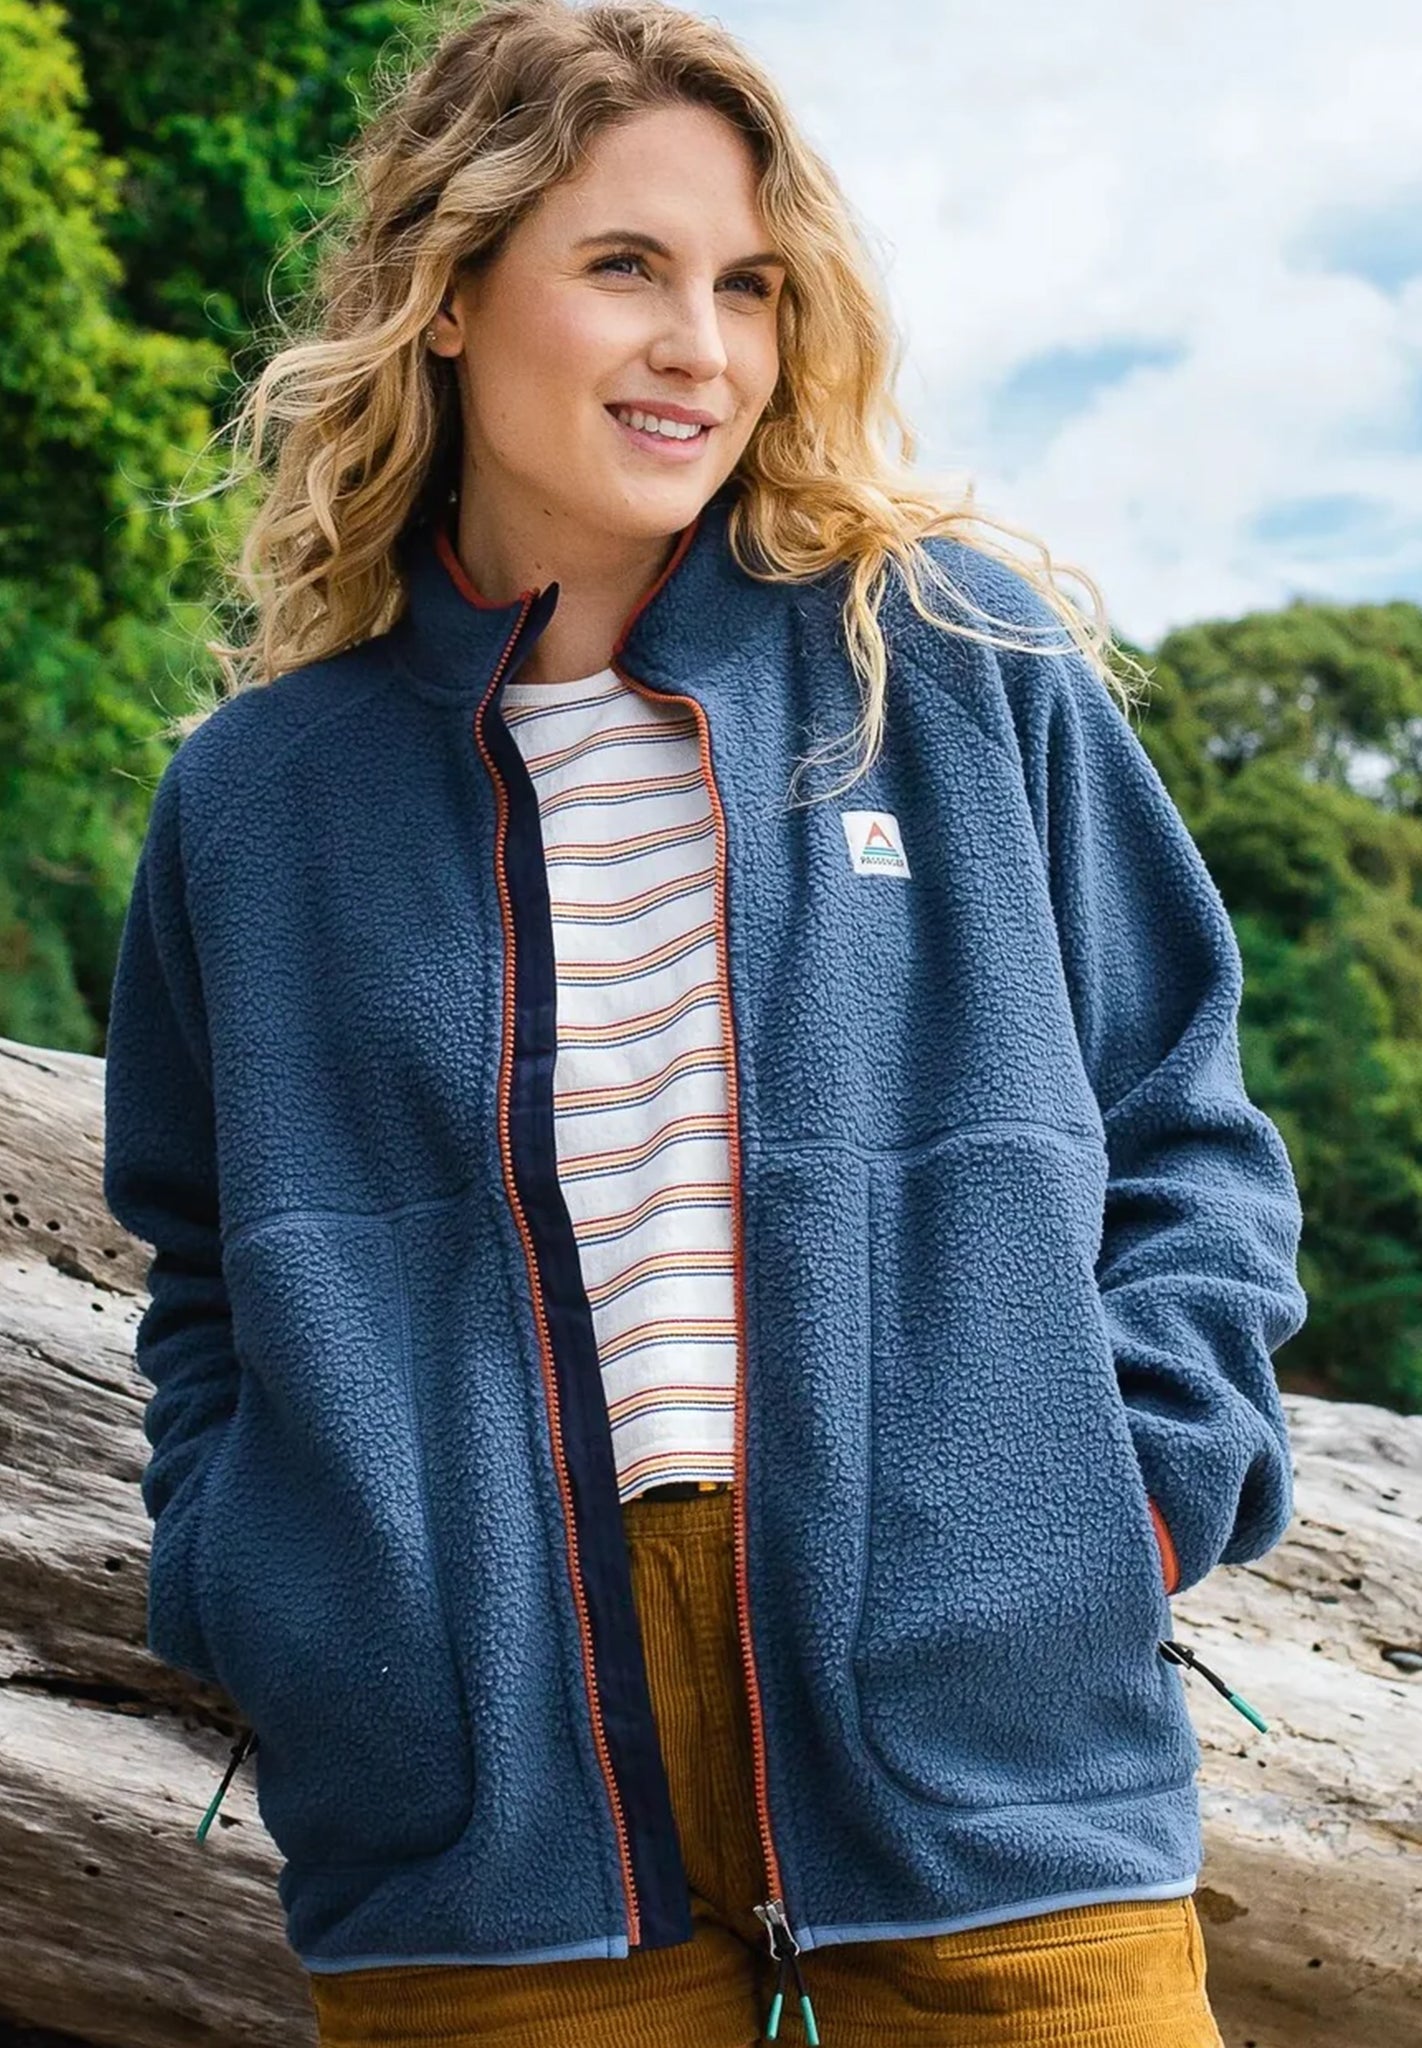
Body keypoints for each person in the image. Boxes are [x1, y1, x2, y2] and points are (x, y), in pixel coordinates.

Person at [101, 2, 1308, 2043]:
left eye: (748, 286)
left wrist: (1122, 1506)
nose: (702, 347)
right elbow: (203, 1273)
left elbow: (1183, 1128)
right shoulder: (256, 806)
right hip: (481, 1823)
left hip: (993, 1758)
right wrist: (275, 1594)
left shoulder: (951, 663)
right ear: (449, 294)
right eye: (626, 267)